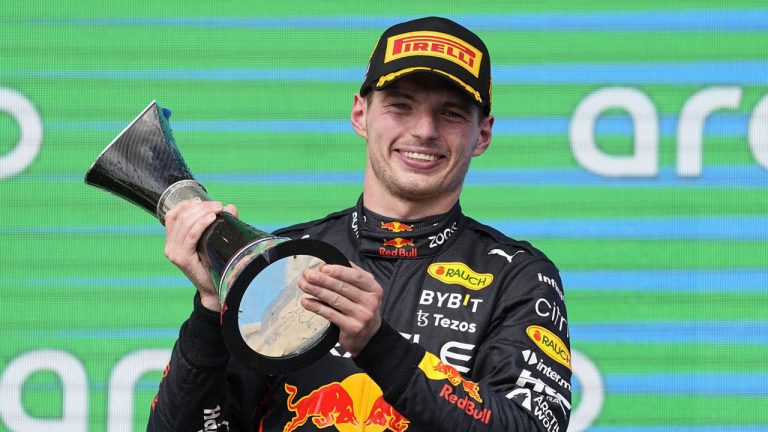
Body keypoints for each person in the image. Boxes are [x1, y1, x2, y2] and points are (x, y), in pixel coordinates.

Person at [148, 16, 571, 432]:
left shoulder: (517, 275)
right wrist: (209, 310)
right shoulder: (283, 262)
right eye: (400, 106)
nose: (424, 130)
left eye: (452, 113)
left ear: (482, 135)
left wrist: (378, 346)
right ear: (360, 114)